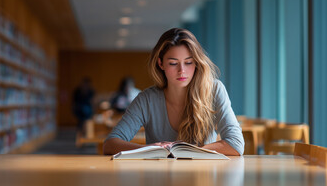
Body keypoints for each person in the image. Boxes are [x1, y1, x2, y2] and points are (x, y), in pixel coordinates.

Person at [103, 28, 244, 156]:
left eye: (188, 62)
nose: (182, 70)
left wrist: (188, 151)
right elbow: (110, 144)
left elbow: (236, 144)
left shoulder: (214, 90)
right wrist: (149, 149)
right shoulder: (147, 99)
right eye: (173, 63)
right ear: (161, 64)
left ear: (196, 62)